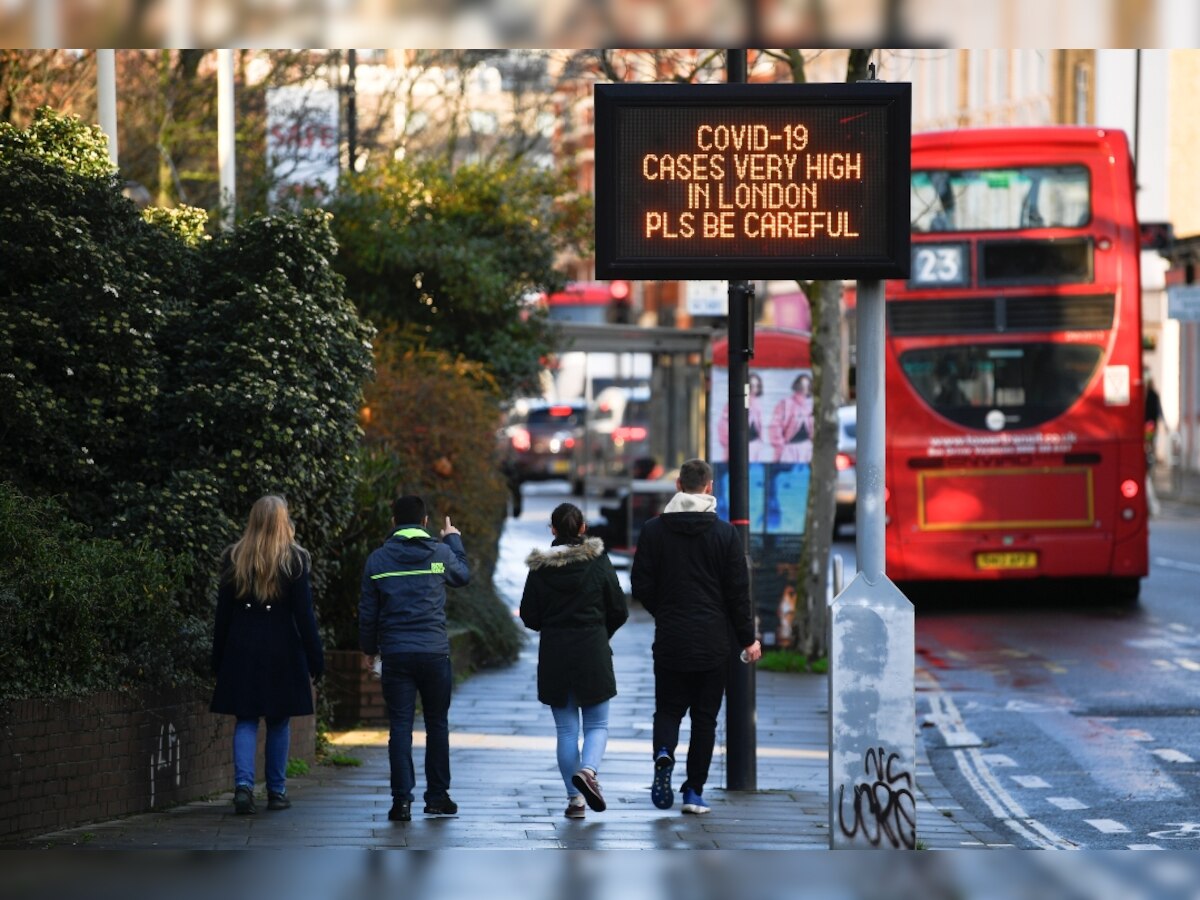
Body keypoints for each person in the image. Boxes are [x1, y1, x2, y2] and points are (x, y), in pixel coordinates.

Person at [631, 458, 761, 815]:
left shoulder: (654, 531)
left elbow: (640, 582)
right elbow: (738, 593)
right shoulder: (724, 534)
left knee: (669, 709)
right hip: (712, 641)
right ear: (709, 487)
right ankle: (693, 792)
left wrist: (665, 610)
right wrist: (748, 638)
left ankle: (663, 753)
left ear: (677, 485)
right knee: (705, 719)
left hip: (671, 637)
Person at [210, 494, 324, 816]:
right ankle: (276, 791)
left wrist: (217, 659)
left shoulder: (235, 557)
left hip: (241, 646)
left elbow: (223, 616)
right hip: (283, 648)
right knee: (278, 720)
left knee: (245, 718)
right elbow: (305, 616)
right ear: (282, 520)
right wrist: (316, 659)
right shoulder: (295, 560)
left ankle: (243, 788)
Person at [360, 495, 469, 823]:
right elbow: (463, 575)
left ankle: (401, 802)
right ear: (424, 522)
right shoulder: (439, 553)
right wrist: (453, 539)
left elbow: (368, 613)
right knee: (437, 724)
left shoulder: (378, 561)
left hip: (396, 654)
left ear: (393, 522)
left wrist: (369, 650)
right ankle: (437, 797)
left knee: (401, 727)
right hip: (434, 653)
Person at [519, 503, 628, 819]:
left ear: (553, 530)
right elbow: (619, 608)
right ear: (583, 528)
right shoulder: (597, 561)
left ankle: (575, 799)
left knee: (566, 732)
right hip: (592, 649)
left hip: (555, 653)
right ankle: (589, 771)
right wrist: (599, 632)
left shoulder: (541, 567)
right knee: (598, 724)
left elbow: (529, 615)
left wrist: (552, 628)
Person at [717, 372, 768, 463]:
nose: (754, 389)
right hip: (737, 446)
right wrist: (729, 444)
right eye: (751, 386)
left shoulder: (759, 404)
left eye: (757, 386)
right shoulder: (733, 403)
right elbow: (723, 425)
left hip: (755, 445)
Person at [768, 373, 815, 463]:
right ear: (797, 386)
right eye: (802, 386)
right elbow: (775, 426)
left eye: (807, 386)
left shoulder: (812, 405)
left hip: (807, 448)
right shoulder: (785, 403)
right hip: (789, 448)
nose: (804, 389)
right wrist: (780, 444)